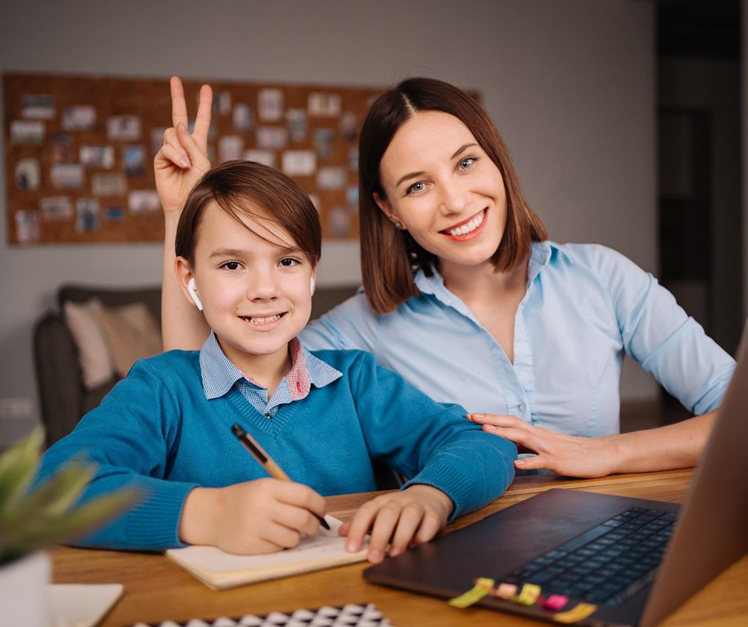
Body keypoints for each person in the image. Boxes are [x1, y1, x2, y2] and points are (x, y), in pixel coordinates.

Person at [157, 77, 736, 480]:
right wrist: (185, 215)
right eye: (417, 185)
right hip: (454, 558)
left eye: (465, 163)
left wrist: (605, 454)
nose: (456, 201)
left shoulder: (602, 276)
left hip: (602, 534)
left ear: (497, 162)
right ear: (389, 210)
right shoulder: (365, 328)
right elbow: (202, 386)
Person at [36, 160, 516, 564]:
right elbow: (49, 489)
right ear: (189, 279)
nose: (264, 289)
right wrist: (206, 514)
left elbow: (479, 444)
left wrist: (430, 494)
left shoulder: (356, 381)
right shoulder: (160, 389)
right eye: (231, 265)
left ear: (312, 274)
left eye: (287, 261)